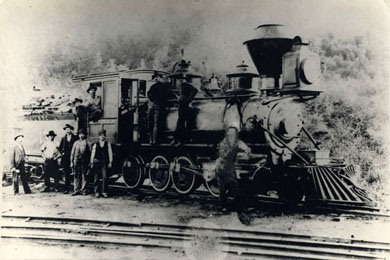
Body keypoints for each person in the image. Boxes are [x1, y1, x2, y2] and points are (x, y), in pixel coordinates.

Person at [215, 124, 252, 225]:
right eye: (230, 134)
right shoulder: (224, 143)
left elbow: (246, 148)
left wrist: (247, 151)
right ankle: (225, 206)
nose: (232, 136)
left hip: (228, 165)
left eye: (234, 134)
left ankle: (233, 206)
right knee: (224, 187)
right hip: (222, 165)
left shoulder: (235, 142)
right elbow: (224, 154)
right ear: (228, 134)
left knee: (233, 185)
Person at [147, 73, 174, 144]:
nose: (156, 79)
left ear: (159, 78)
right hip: (158, 105)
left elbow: (149, 95)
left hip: (152, 105)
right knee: (156, 123)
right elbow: (171, 95)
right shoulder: (164, 86)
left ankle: (151, 140)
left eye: (156, 77)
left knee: (151, 123)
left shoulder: (153, 86)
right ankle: (154, 140)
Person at [170, 76, 198, 146]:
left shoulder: (186, 84)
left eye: (181, 79)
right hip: (182, 104)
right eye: (179, 79)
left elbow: (195, 90)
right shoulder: (182, 86)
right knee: (180, 122)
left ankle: (179, 139)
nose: (180, 80)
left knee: (181, 122)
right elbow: (183, 94)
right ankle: (177, 139)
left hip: (185, 105)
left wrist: (189, 99)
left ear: (184, 79)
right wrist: (179, 98)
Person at [90, 129, 113, 198]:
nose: (102, 137)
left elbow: (110, 153)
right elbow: (93, 154)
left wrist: (110, 162)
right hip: (97, 162)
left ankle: (104, 191)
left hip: (104, 162)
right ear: (99, 137)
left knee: (105, 177)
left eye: (103, 135)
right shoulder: (95, 144)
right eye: (101, 135)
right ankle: (96, 192)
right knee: (96, 177)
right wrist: (91, 162)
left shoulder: (107, 144)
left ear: (105, 136)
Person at [70, 129, 91, 196]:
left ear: (84, 135)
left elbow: (90, 153)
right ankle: (76, 190)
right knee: (76, 176)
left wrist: (90, 162)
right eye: (80, 134)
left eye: (82, 134)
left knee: (84, 176)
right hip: (76, 161)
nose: (81, 135)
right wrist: (71, 162)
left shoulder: (87, 143)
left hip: (84, 161)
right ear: (78, 135)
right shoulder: (76, 143)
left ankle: (84, 190)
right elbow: (72, 153)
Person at [59, 124, 78, 194]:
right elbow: (60, 148)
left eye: (69, 129)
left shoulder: (75, 138)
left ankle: (76, 189)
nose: (68, 130)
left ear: (71, 130)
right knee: (67, 173)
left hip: (74, 157)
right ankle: (67, 188)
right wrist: (62, 153)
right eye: (66, 129)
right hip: (66, 158)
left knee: (75, 173)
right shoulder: (63, 139)